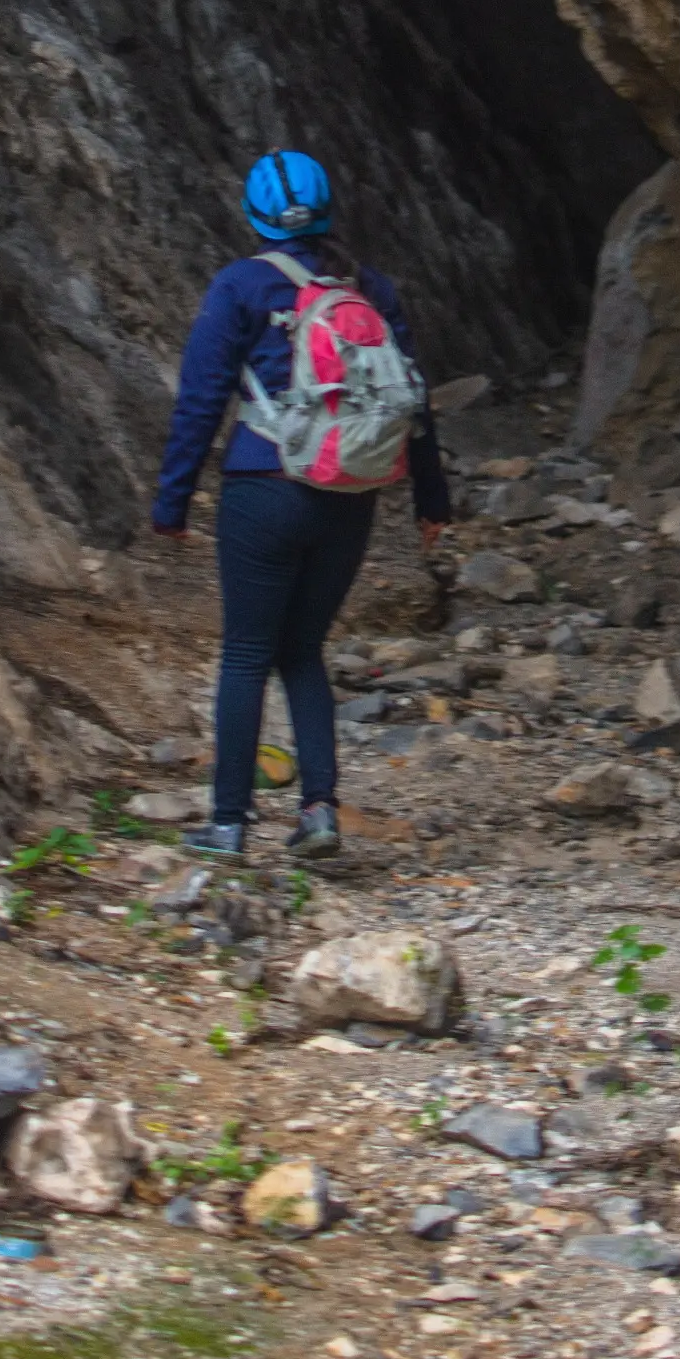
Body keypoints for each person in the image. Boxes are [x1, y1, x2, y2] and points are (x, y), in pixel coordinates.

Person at [150, 149, 451, 860]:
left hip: (262, 487)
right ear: (326, 212)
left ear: (253, 214)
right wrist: (430, 500)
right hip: (348, 495)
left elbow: (199, 400)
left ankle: (227, 823)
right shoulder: (368, 290)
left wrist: (173, 500)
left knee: (247, 654)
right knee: (304, 653)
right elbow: (414, 400)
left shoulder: (241, 288)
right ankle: (318, 811)